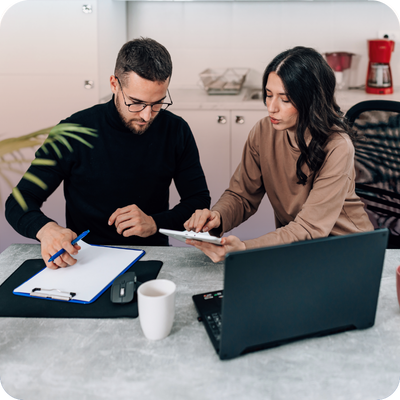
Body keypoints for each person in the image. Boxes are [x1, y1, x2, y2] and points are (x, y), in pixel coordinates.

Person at [5, 37, 210, 269]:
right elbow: (18, 202)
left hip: (152, 256)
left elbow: (198, 201)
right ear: (114, 84)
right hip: (84, 257)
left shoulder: (176, 130)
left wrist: (155, 223)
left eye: (157, 104)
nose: (146, 115)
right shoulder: (73, 132)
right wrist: (47, 230)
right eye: (136, 102)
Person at [183, 46, 374, 263]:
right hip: (296, 250)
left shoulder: (338, 146)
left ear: (310, 100)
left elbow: (310, 228)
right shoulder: (263, 131)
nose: (271, 107)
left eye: (285, 99)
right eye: (268, 95)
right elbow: (242, 195)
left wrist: (244, 248)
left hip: (347, 252)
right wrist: (217, 217)